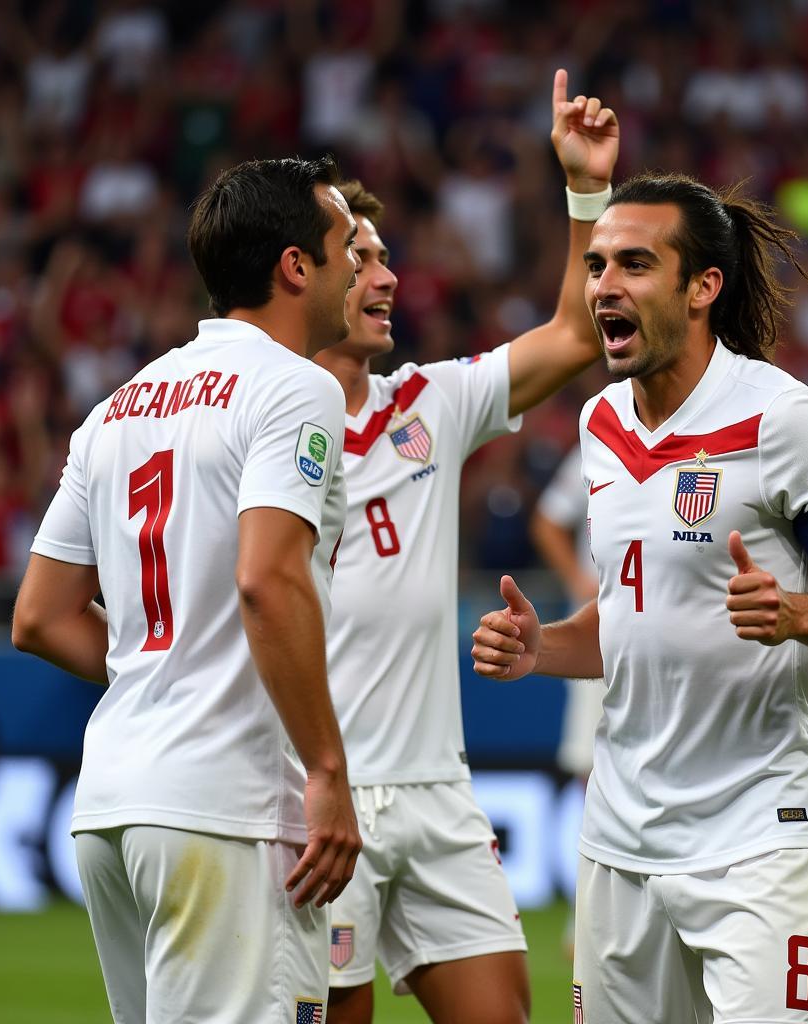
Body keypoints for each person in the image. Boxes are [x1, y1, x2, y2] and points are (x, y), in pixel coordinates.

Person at [471, 172, 808, 1023]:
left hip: (763, 833)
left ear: (703, 286)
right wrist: (545, 648)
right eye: (598, 264)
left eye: (635, 263)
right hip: (621, 839)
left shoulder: (786, 423)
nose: (605, 283)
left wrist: (799, 614)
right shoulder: (601, 425)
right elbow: (634, 619)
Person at [11, 156, 363, 1024]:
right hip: (225, 812)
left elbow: (40, 615)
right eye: (345, 245)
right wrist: (326, 768)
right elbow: (267, 577)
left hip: (113, 809)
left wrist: (164, 673)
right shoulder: (296, 387)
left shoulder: (116, 408)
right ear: (295, 267)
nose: (360, 264)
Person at [312, 70, 618, 1024]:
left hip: (437, 788)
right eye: (360, 258)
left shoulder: (426, 404)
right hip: (319, 792)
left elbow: (573, 336)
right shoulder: (257, 423)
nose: (387, 275)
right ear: (304, 273)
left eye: (386, 256)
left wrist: (585, 189)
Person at [530, 445, 605, 958]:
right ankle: (588, 914)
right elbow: (547, 521)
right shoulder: (596, 443)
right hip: (599, 634)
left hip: (667, 631)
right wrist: (579, 582)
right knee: (591, 773)